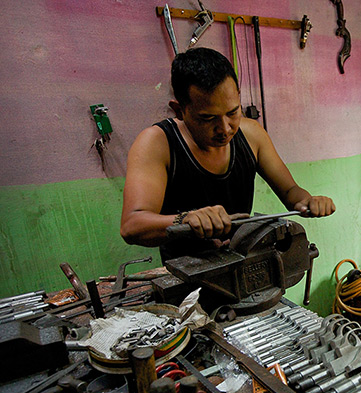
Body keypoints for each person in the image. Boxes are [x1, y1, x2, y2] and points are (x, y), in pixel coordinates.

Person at [120, 48, 335, 261]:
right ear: (179, 110)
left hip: (243, 263)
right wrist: (187, 219)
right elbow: (132, 226)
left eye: (233, 112)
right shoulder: (157, 143)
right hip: (187, 277)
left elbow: (290, 191)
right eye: (207, 118)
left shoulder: (252, 135)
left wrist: (309, 201)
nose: (224, 128)